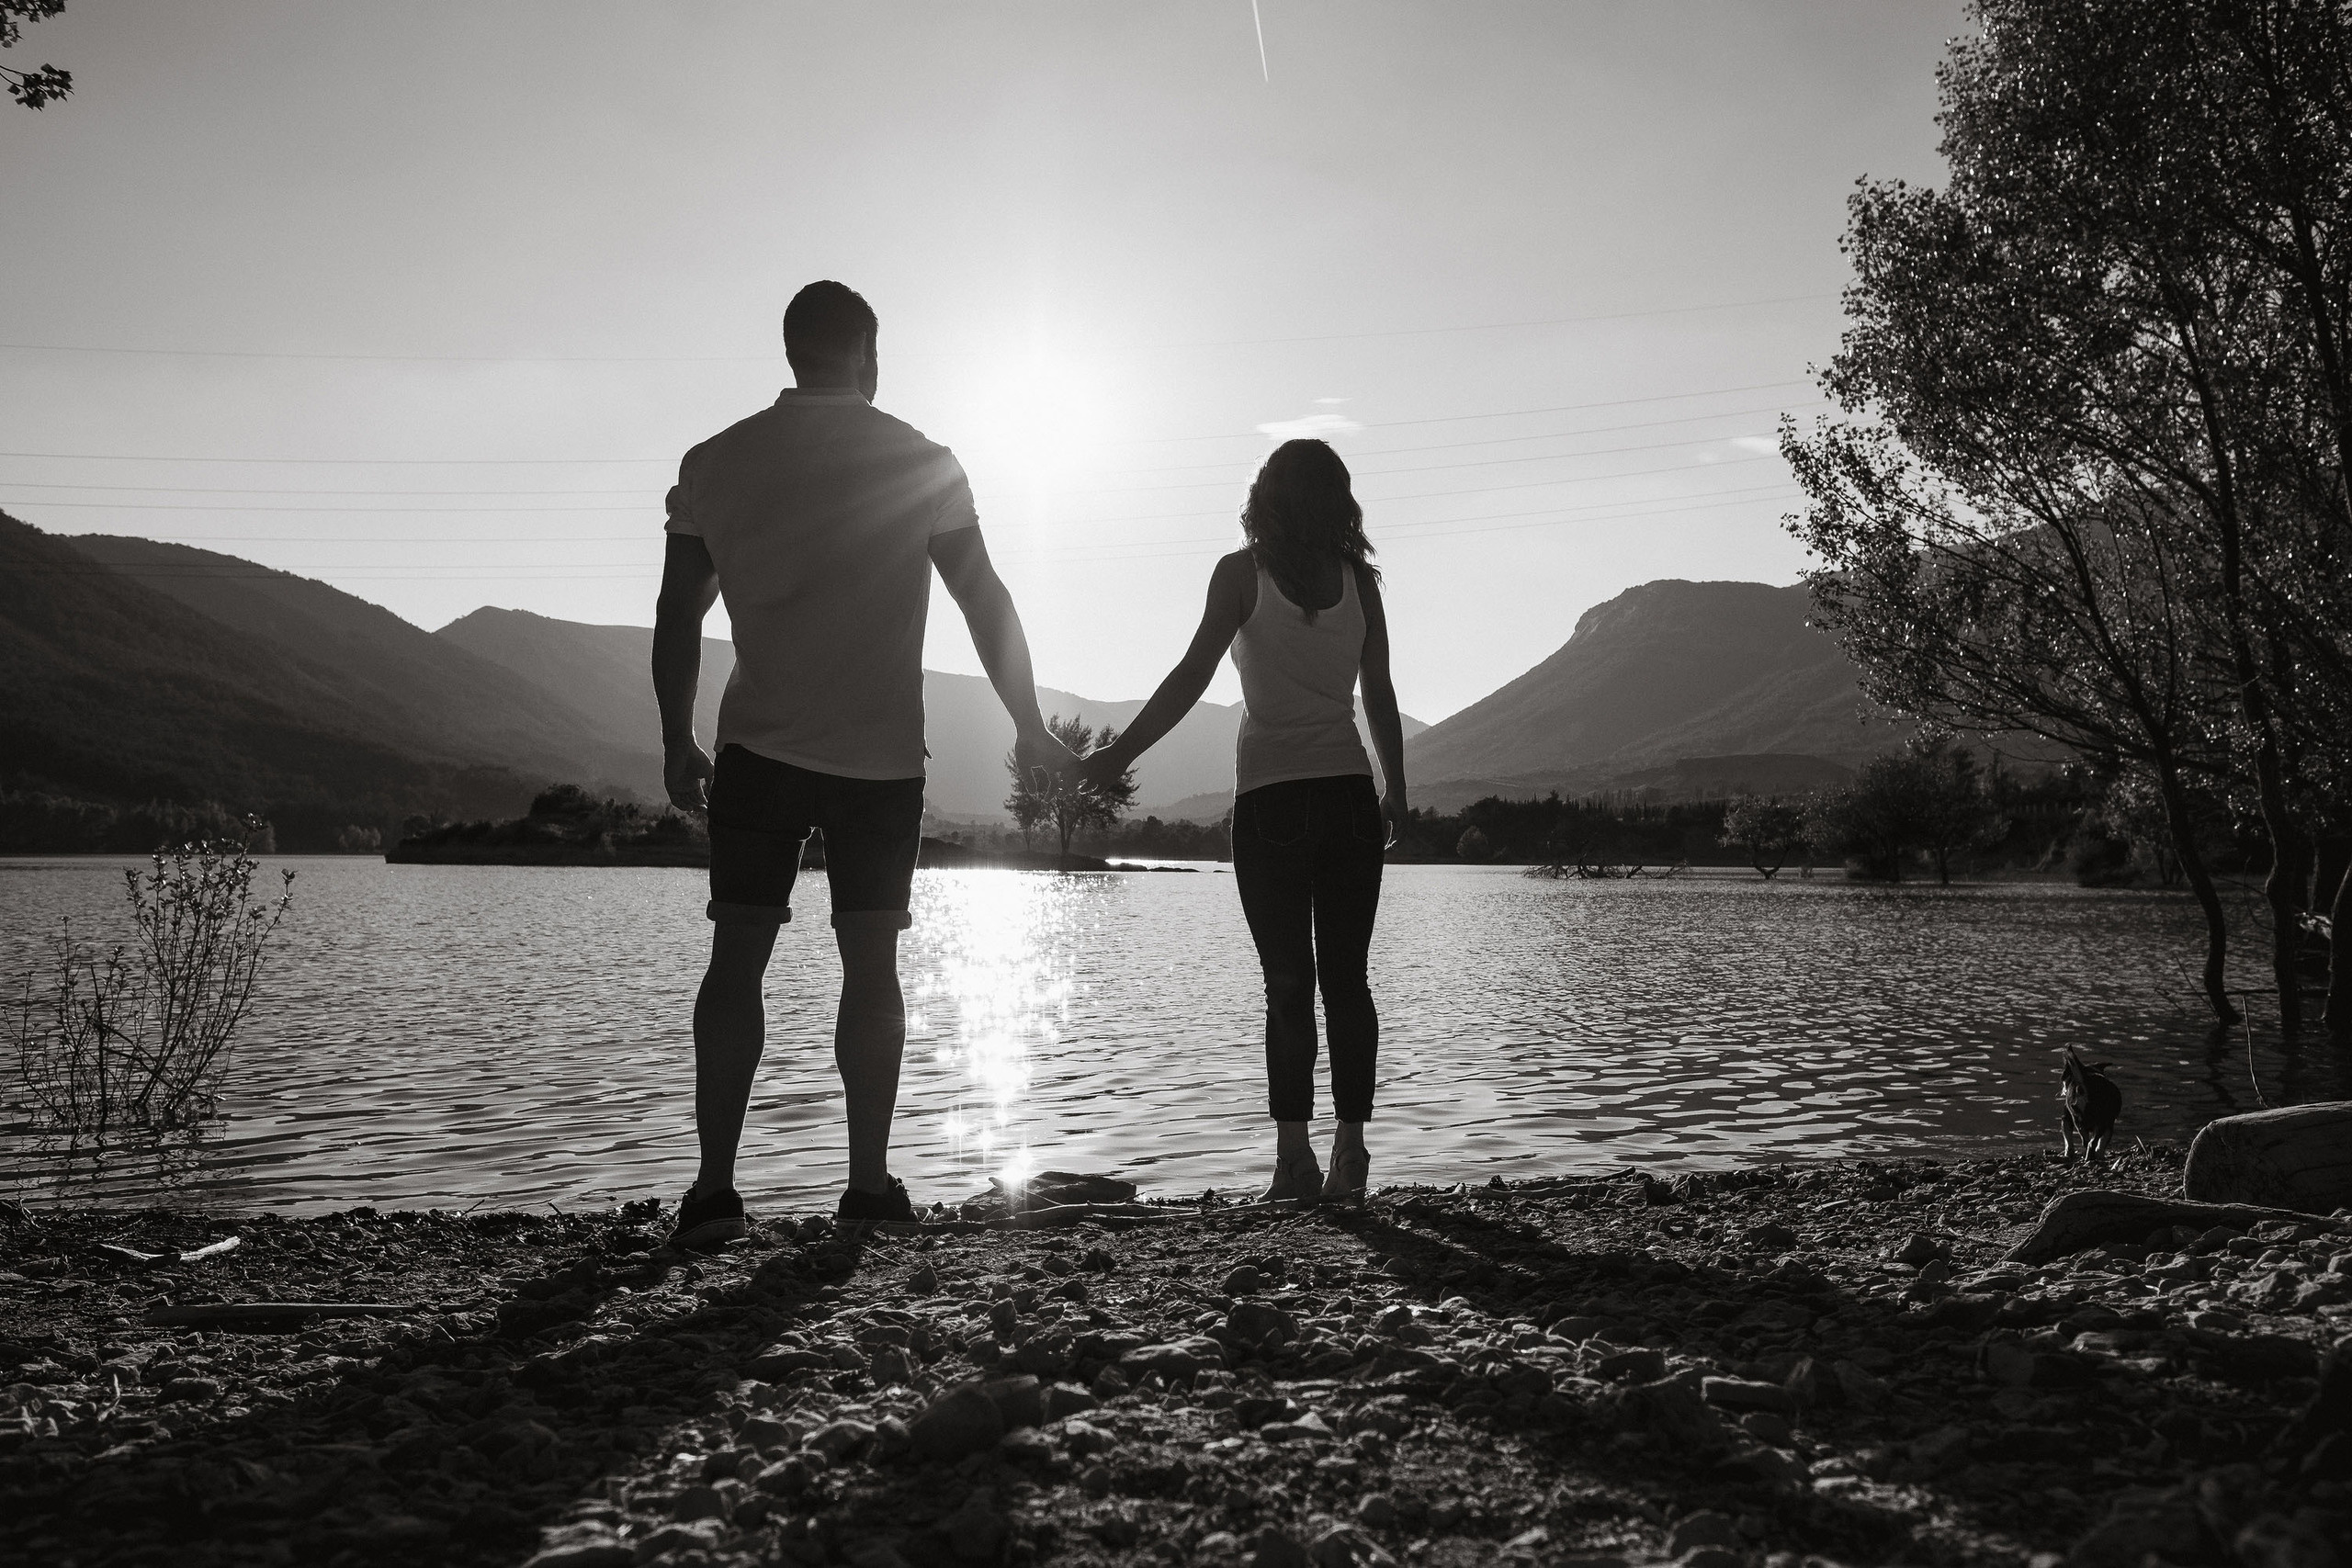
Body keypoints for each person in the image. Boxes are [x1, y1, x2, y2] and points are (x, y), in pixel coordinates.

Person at [652, 280, 1072, 1247]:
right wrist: (1028, 722)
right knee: (870, 963)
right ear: (868, 353)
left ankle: (714, 1192)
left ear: (791, 353)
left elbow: (680, 615)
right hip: (879, 762)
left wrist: (677, 739)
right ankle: (868, 1183)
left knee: (737, 959)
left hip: (756, 748)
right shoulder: (924, 464)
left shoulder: (715, 463)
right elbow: (983, 599)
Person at [1078, 438, 1405, 1201]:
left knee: (1288, 983)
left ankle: (1295, 1161)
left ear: (1267, 496)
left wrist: (1114, 756)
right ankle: (1350, 1155)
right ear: (1340, 499)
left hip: (1274, 803)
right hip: (1351, 797)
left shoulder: (1240, 574)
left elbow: (1192, 675)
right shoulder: (1361, 582)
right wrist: (1396, 790)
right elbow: (1379, 694)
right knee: (1348, 983)